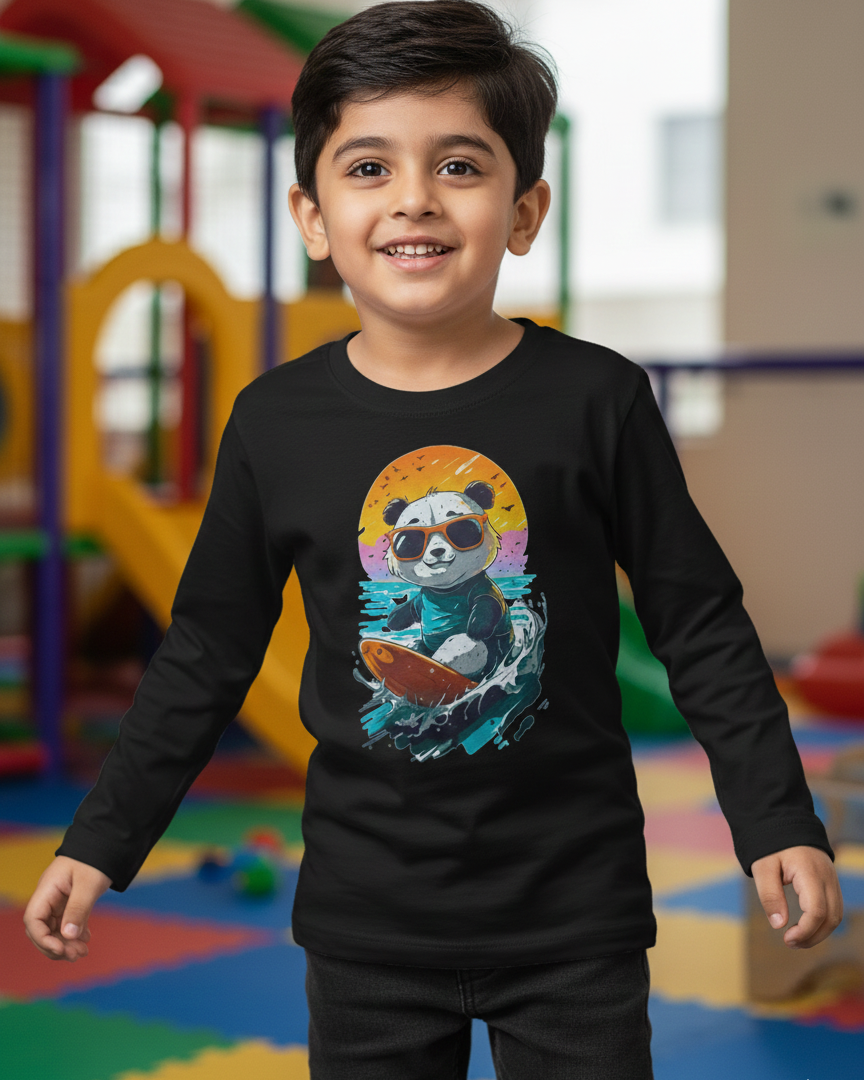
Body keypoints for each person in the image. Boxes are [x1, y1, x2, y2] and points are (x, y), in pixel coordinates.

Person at [24, 2, 843, 1077]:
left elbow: (698, 621)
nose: (413, 197)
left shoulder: (597, 399)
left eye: (460, 164)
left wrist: (775, 816)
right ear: (311, 216)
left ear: (525, 209)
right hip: (368, 923)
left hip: (574, 917)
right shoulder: (275, 422)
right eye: (368, 168)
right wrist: (103, 837)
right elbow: (208, 649)